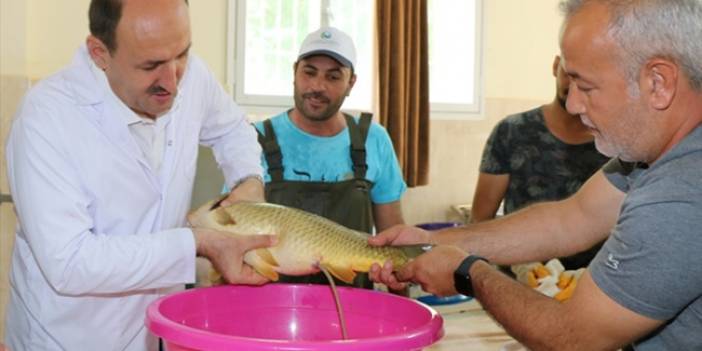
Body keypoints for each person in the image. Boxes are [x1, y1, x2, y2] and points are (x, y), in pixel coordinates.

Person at [370, 0, 702, 349]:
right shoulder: (652, 153)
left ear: (658, 82)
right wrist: (432, 242)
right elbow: (570, 219)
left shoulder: (680, 195)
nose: (573, 104)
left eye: (586, 87)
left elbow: (572, 335)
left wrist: (468, 272)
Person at [4, 0, 276, 350]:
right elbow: (69, 263)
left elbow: (232, 129)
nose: (173, 81)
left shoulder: (191, 76)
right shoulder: (46, 119)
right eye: (151, 65)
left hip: (154, 331)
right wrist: (197, 242)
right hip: (66, 338)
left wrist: (248, 181)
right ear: (100, 53)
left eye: (182, 54)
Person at [255, 26, 407, 288]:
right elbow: (236, 233)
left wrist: (401, 304)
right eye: (309, 72)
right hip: (275, 308)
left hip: (354, 310)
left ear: (351, 83)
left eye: (333, 77)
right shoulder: (255, 140)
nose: (317, 86)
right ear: (294, 73)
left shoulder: (373, 139)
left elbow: (393, 237)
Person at [471, 55, 609, 270]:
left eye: (585, 82)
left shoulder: (615, 145)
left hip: (593, 287)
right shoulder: (511, 132)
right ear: (556, 66)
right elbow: (480, 221)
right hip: (516, 282)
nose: (573, 88)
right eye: (570, 74)